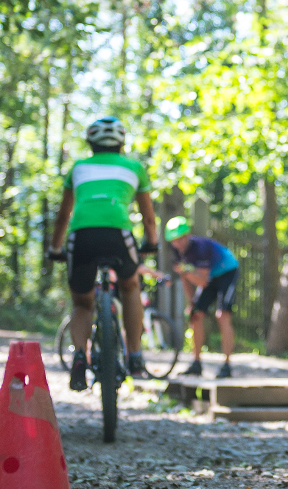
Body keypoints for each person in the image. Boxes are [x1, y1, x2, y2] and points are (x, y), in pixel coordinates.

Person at [47, 117, 159, 389]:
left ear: (91, 143)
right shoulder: (134, 167)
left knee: (82, 303)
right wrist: (151, 244)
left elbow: (63, 216)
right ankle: (135, 356)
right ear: (121, 142)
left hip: (81, 237)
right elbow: (148, 219)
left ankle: (79, 360)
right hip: (117, 235)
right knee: (130, 286)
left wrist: (55, 248)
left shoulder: (78, 168)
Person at [165, 216, 240, 379]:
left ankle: (227, 365)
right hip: (209, 276)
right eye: (175, 241)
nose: (179, 243)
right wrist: (192, 302)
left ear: (188, 235)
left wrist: (185, 272)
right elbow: (186, 279)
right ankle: (196, 363)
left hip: (227, 271)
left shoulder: (200, 248)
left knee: (222, 315)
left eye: (181, 239)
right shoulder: (177, 253)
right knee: (195, 315)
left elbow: (202, 281)